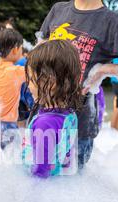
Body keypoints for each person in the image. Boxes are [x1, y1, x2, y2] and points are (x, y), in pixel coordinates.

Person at [39, 0, 118, 169]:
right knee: (37, 177)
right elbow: (40, 48)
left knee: (68, 183)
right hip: (42, 112)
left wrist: (103, 70)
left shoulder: (114, 23)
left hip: (78, 121)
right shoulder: (58, 9)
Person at [22, 40, 82, 178]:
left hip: (41, 189)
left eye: (31, 79)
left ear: (50, 82)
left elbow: (40, 172)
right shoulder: (69, 115)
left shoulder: (44, 124)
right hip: (57, 185)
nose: (28, 85)